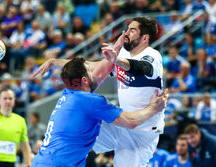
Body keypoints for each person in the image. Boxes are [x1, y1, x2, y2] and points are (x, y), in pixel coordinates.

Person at [32, 17, 165, 166]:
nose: (126, 33)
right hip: (123, 123)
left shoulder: (152, 55)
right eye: (127, 29)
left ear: (145, 37)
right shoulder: (123, 57)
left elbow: (142, 68)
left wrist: (117, 60)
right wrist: (55, 62)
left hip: (142, 130)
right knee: (81, 132)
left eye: (132, 30)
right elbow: (92, 66)